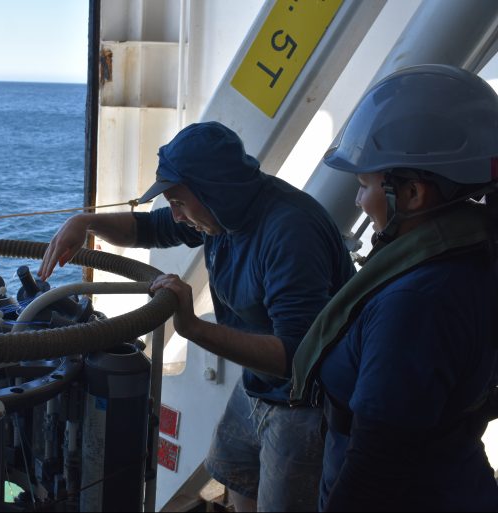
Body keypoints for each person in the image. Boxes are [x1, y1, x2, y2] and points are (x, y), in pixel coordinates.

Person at [39, 121, 356, 511]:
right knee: (234, 467)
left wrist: (191, 327)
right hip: (260, 385)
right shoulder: (221, 213)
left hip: (307, 402)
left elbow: (294, 357)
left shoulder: (290, 234)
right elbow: (148, 229)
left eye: (178, 202)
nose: (174, 216)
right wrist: (85, 222)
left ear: (214, 192)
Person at [291, 64, 498, 511]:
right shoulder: (469, 253)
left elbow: (376, 470)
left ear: (413, 195)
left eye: (364, 184)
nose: (357, 200)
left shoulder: (416, 301)